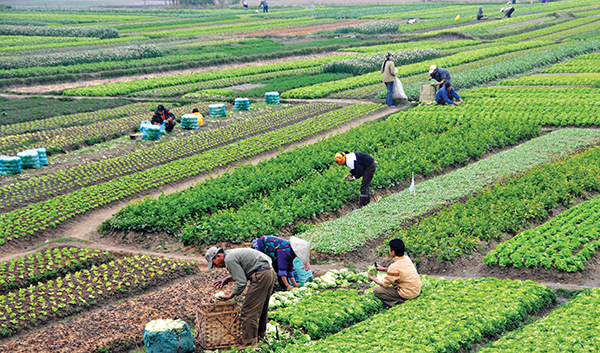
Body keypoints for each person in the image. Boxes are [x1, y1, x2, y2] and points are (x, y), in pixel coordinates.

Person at [207, 247, 276, 347]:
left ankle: (250, 343)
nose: (216, 266)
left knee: (248, 310)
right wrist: (229, 279)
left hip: (261, 274)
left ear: (218, 256)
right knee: (261, 307)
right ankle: (260, 335)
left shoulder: (229, 259)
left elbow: (242, 282)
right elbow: (246, 270)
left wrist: (231, 295)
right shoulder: (231, 254)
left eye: (214, 263)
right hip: (268, 272)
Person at [368, 238, 421, 308]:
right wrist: (383, 269)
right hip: (416, 291)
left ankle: (398, 301)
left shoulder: (394, 267)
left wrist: (374, 279)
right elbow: (400, 271)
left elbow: (385, 285)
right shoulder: (407, 259)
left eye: (389, 249)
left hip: (407, 293)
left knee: (377, 291)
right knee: (394, 282)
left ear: (393, 252)